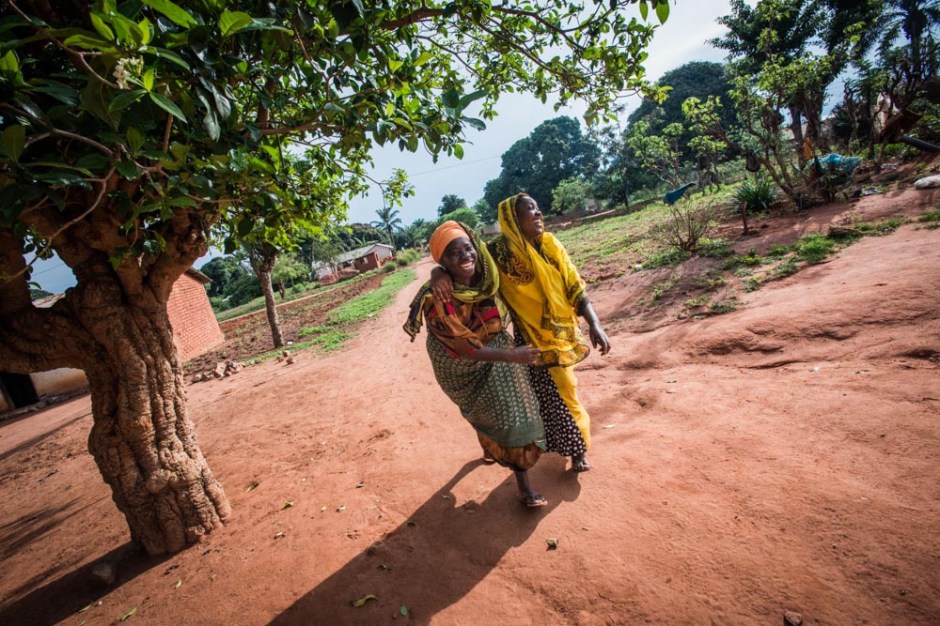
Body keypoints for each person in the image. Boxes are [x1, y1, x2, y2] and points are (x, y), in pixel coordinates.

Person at [431, 193, 611, 473]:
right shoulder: (498, 255)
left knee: (564, 392)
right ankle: (558, 448)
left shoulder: (551, 247)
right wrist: (437, 273)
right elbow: (464, 262)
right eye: (530, 209)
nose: (538, 213)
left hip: (559, 336)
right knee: (541, 399)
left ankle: (576, 448)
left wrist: (594, 323)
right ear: (513, 219)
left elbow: (575, 286)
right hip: (528, 340)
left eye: (538, 208)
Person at [404, 220, 550, 507]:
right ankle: (494, 443)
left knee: (514, 409)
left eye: (467, 248)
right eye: (454, 254)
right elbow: (464, 348)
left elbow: (518, 247)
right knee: (486, 409)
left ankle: (523, 483)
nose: (465, 256)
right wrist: (513, 355)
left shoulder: (486, 273)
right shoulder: (437, 297)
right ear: (443, 262)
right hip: (458, 364)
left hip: (496, 348)